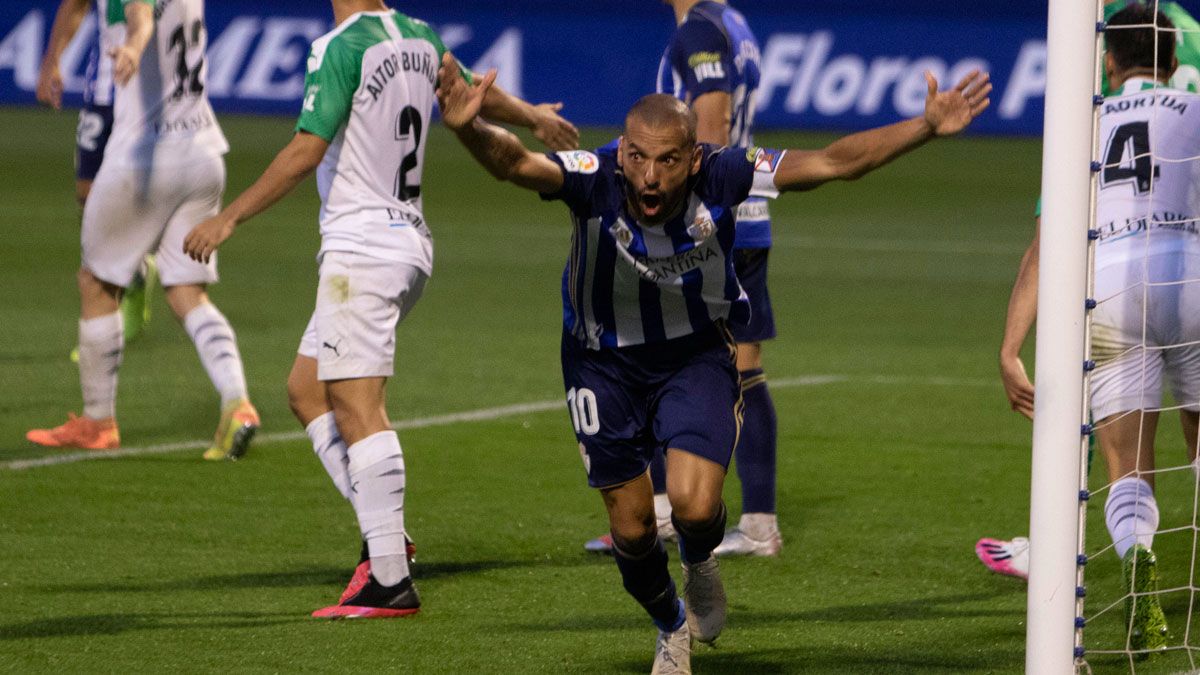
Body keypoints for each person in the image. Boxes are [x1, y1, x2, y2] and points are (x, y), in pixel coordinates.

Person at [436, 51, 988, 672]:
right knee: (634, 531)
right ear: (622, 152)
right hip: (600, 365)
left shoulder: (726, 174)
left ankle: (700, 561)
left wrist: (923, 127)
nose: (648, 176)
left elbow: (831, 163)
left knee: (696, 508)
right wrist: (467, 128)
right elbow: (516, 162)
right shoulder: (594, 177)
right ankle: (669, 622)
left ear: (693, 158)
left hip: (693, 356)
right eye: (637, 157)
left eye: (667, 160)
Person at [181, 0, 578, 618]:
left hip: (360, 250)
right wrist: (532, 118)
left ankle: (388, 577)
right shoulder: (418, 35)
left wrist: (228, 216)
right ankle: (385, 535)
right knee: (307, 391)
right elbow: (469, 89)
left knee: (357, 404)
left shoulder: (339, 47)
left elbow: (307, 150)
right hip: (407, 241)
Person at [986, 5, 1200, 653]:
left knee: (1124, 463)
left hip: (1105, 293)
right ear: (1175, 60)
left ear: (1107, 59)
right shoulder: (1194, 109)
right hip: (1187, 278)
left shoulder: (1087, 122)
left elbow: (1046, 242)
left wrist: (1010, 346)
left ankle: (1138, 566)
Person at [584, 0, 781, 558]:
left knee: (663, 354)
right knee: (742, 366)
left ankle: (685, 515)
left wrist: (690, 220)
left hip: (711, 231)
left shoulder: (699, 28)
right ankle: (740, 518)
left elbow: (711, 128)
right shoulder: (734, 22)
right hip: (748, 224)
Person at [26, 0, 260, 461]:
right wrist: (58, 55)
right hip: (203, 153)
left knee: (96, 283)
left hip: (146, 156)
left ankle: (98, 422)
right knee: (187, 291)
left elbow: (141, 15)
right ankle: (239, 403)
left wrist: (133, 46)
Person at [35, 0, 157, 351]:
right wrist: (51, 61)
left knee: (140, 193)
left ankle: (106, 317)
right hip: (102, 90)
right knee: (87, 196)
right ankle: (136, 275)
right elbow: (75, 5)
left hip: (148, 93)